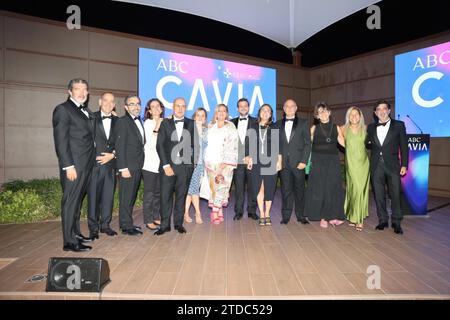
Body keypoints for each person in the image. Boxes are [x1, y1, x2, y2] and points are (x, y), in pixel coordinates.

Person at [52, 78, 95, 252]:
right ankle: (69, 242)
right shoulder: (63, 110)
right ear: (70, 91)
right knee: (70, 203)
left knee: (77, 202)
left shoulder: (86, 111)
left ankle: (75, 233)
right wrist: (68, 166)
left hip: (86, 165)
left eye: (85, 89)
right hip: (74, 166)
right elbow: (61, 142)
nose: (82, 92)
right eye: (77, 89)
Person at [155, 97, 198, 235]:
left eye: (183, 106)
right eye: (177, 106)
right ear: (173, 107)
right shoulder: (165, 123)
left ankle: (178, 224)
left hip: (185, 168)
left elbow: (195, 144)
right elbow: (160, 145)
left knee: (181, 196)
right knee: (165, 196)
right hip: (168, 166)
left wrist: (192, 164)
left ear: (185, 108)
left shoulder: (191, 123)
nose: (180, 109)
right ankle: (164, 225)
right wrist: (165, 165)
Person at [366, 100, 408, 235]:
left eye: (384, 108)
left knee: (395, 194)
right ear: (375, 113)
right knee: (378, 195)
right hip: (376, 165)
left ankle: (396, 222)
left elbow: (404, 146)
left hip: (393, 165)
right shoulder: (371, 127)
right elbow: (368, 142)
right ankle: (383, 220)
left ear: (389, 111)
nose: (382, 111)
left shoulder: (399, 125)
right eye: (378, 109)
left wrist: (405, 164)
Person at [304, 102, 346, 228]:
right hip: (317, 162)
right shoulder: (314, 129)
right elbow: (306, 146)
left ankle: (332, 215)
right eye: (320, 111)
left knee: (332, 188)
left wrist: (357, 150)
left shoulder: (336, 127)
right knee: (320, 189)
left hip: (332, 161)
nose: (323, 113)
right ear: (317, 115)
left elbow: (343, 143)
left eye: (325, 110)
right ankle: (323, 216)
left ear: (329, 112)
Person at [87, 92, 118, 240]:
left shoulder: (119, 121)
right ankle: (93, 228)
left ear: (114, 105)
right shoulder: (90, 117)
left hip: (111, 166)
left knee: (108, 197)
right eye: (106, 101)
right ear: (100, 102)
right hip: (94, 166)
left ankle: (105, 225)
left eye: (111, 102)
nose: (108, 104)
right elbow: (84, 142)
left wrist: (113, 154)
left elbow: (123, 143)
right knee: (93, 198)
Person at [276, 99, 311, 224]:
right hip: (284, 164)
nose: (289, 108)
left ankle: (301, 216)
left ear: (296, 108)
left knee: (300, 191)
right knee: (286, 191)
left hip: (299, 164)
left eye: (292, 106)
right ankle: (285, 216)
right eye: (287, 106)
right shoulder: (277, 124)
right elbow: (276, 144)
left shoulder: (303, 123)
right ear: (284, 109)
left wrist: (304, 161)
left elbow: (308, 144)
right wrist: (278, 160)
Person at [246, 104, 281, 226]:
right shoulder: (253, 127)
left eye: (268, 111)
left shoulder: (275, 127)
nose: (265, 112)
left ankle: (267, 214)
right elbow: (248, 144)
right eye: (263, 110)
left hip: (271, 161)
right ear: (259, 113)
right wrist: (249, 158)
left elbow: (278, 146)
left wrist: (279, 161)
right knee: (259, 188)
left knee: (269, 188)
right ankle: (261, 213)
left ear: (271, 114)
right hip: (256, 161)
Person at [115, 95, 145, 236]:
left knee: (131, 197)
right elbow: (119, 147)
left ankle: (128, 223)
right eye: (132, 104)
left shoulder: (139, 121)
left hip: (137, 166)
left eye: (138, 104)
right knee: (126, 198)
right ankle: (126, 226)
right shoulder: (123, 122)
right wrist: (123, 168)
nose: (136, 106)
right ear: (126, 107)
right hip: (128, 167)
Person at [204, 104, 238, 224]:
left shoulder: (231, 126)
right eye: (219, 111)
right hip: (210, 162)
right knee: (214, 188)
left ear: (227, 113)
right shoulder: (210, 126)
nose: (222, 113)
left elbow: (233, 145)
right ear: (216, 113)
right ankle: (217, 211)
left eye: (224, 111)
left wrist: (225, 163)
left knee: (223, 187)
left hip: (225, 164)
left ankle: (215, 211)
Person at [341, 106, 370, 231]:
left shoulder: (367, 128)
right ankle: (352, 215)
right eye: (351, 115)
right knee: (352, 189)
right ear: (348, 116)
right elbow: (339, 141)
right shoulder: (343, 129)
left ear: (360, 116)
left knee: (360, 189)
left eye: (356, 114)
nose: (354, 117)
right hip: (351, 164)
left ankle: (359, 219)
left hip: (363, 164)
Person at [230, 98, 258, 221]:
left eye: (245, 106)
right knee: (239, 188)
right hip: (237, 161)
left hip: (251, 160)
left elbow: (259, 141)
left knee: (253, 187)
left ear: (248, 107)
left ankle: (252, 211)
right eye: (240, 106)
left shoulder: (256, 122)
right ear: (237, 108)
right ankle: (239, 212)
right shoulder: (230, 123)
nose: (243, 108)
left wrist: (252, 155)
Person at [142, 98, 164, 231]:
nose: (156, 108)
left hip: (161, 165)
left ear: (161, 108)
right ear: (149, 110)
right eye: (153, 106)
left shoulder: (166, 123)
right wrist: (157, 126)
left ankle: (156, 217)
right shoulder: (148, 123)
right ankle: (148, 220)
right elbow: (150, 144)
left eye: (158, 106)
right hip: (149, 165)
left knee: (158, 193)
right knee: (149, 194)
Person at [184, 108, 208, 224]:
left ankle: (186, 212)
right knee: (193, 189)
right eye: (197, 115)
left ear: (205, 119)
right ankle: (198, 212)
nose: (200, 118)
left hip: (201, 165)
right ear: (194, 117)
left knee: (191, 189)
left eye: (202, 116)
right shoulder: (188, 130)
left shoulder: (207, 131)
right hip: (190, 164)